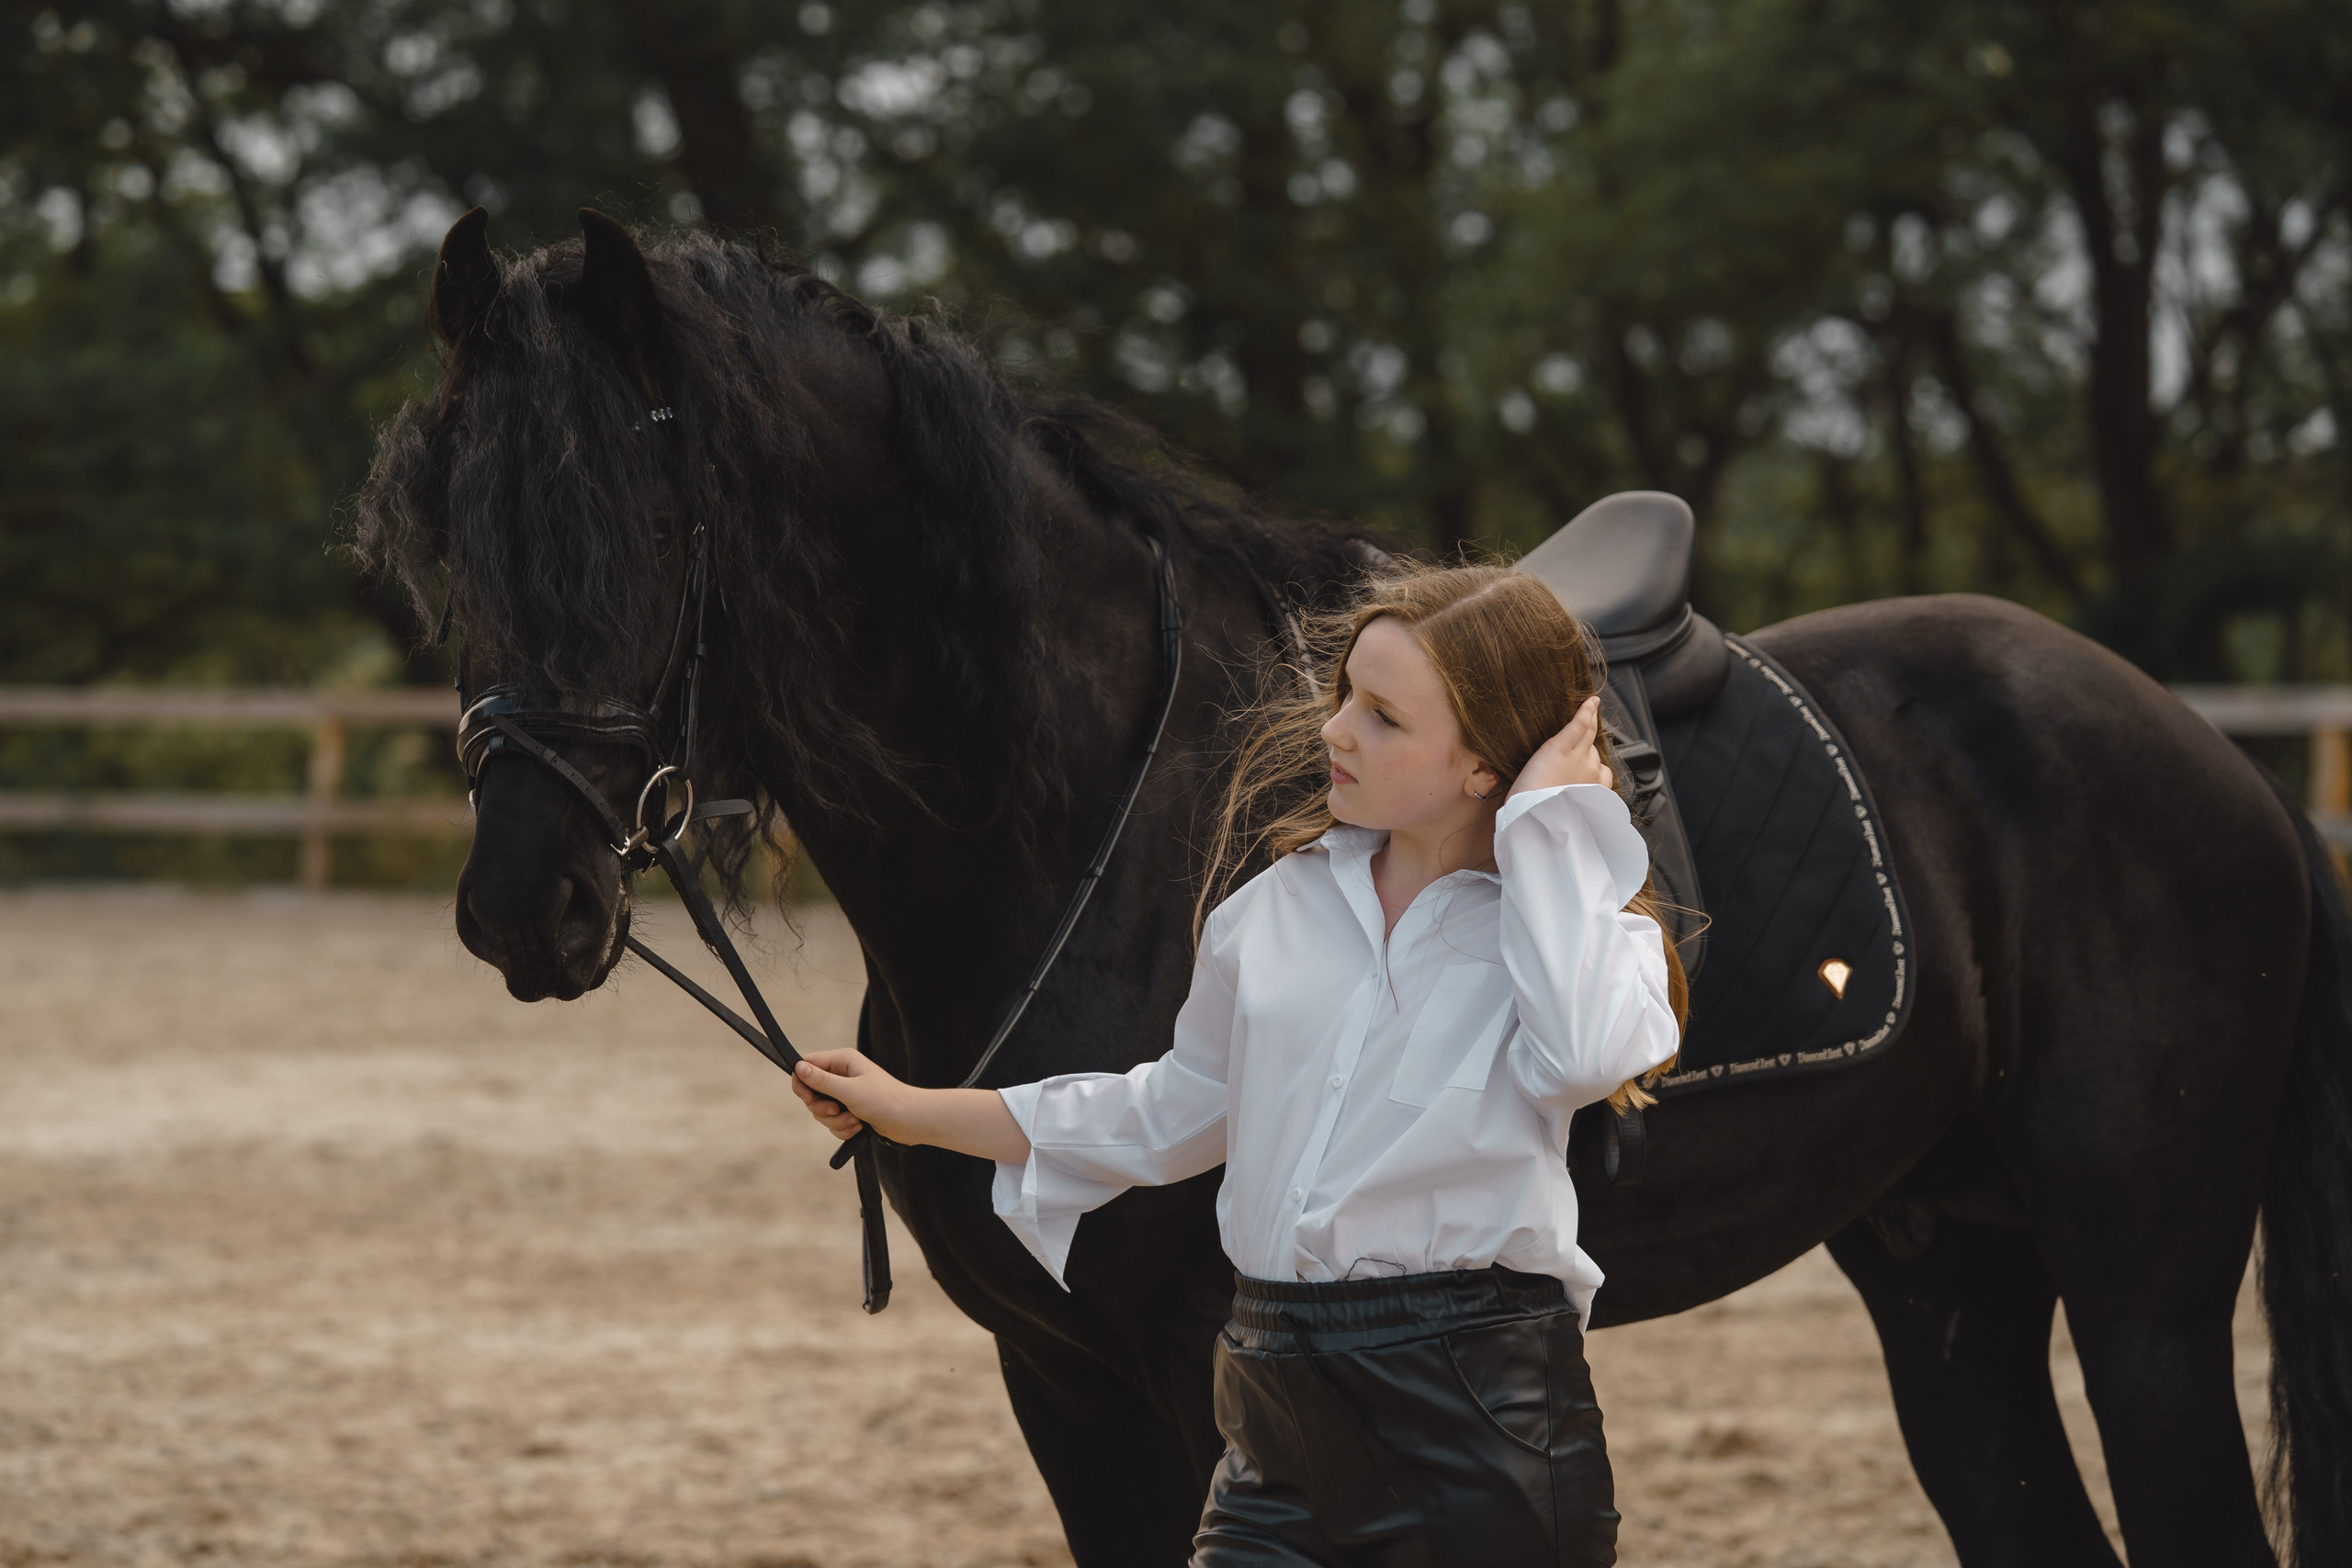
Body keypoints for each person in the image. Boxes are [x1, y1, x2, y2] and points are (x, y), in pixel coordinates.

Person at [791, 562, 1686, 1566]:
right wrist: (916, 1112)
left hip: (1474, 1429)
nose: (1336, 730)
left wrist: (1548, 830)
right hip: (1267, 1413)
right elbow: (1166, 1114)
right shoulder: (1269, 911)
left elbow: (1584, 1054)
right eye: (1346, 693)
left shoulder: (1583, 937)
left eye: (1384, 717)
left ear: (1488, 767)